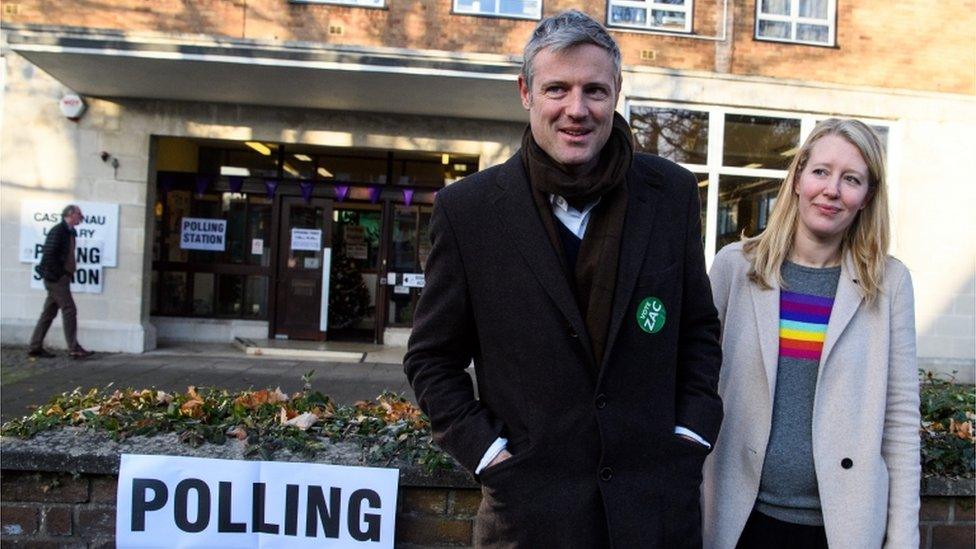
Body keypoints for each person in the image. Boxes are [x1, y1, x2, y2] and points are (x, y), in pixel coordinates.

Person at [404, 10, 722, 547]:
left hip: (654, 514)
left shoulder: (670, 195)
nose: (577, 110)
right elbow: (432, 360)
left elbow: (697, 331)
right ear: (526, 92)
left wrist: (689, 436)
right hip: (529, 517)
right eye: (558, 88)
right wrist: (489, 456)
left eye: (595, 90)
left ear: (617, 92)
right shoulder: (470, 210)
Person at [702, 119, 919, 548]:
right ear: (798, 177)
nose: (832, 190)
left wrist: (902, 539)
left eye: (851, 179)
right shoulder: (735, 268)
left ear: (867, 196)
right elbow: (695, 386)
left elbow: (901, 421)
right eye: (821, 171)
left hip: (841, 530)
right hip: (738, 520)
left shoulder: (889, 283)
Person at [28, 204, 95, 359]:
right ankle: (74, 348)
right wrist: (60, 274)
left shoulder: (69, 232)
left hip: (59, 278)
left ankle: (35, 346)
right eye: (79, 214)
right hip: (56, 279)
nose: (81, 217)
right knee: (69, 309)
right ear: (71, 214)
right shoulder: (59, 231)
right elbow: (49, 253)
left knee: (48, 313)